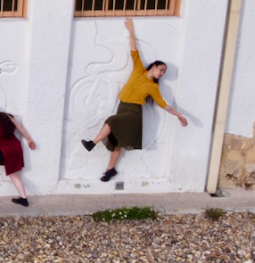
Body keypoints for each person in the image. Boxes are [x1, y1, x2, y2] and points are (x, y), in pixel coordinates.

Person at [80, 18, 188, 182]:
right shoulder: (139, 69)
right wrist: (131, 29)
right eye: (161, 69)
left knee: (111, 121)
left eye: (164, 72)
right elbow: (134, 49)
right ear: (154, 66)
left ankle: (92, 143)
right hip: (123, 107)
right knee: (116, 141)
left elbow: (165, 105)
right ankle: (110, 170)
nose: (162, 73)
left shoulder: (153, 87)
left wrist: (179, 115)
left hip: (133, 113)